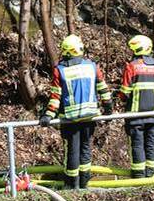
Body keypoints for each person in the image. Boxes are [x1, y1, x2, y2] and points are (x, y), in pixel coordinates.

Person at [39, 34, 112, 189]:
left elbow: (56, 96)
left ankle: (71, 185)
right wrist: (108, 108)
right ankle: (84, 183)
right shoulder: (92, 66)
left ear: (66, 51)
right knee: (85, 148)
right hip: (90, 117)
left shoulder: (60, 70)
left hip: (70, 119)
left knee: (72, 150)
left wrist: (48, 115)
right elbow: (103, 89)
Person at [117, 35, 154, 179]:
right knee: (151, 143)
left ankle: (139, 174)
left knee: (137, 144)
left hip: (136, 116)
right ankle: (151, 173)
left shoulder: (131, 67)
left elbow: (124, 93)